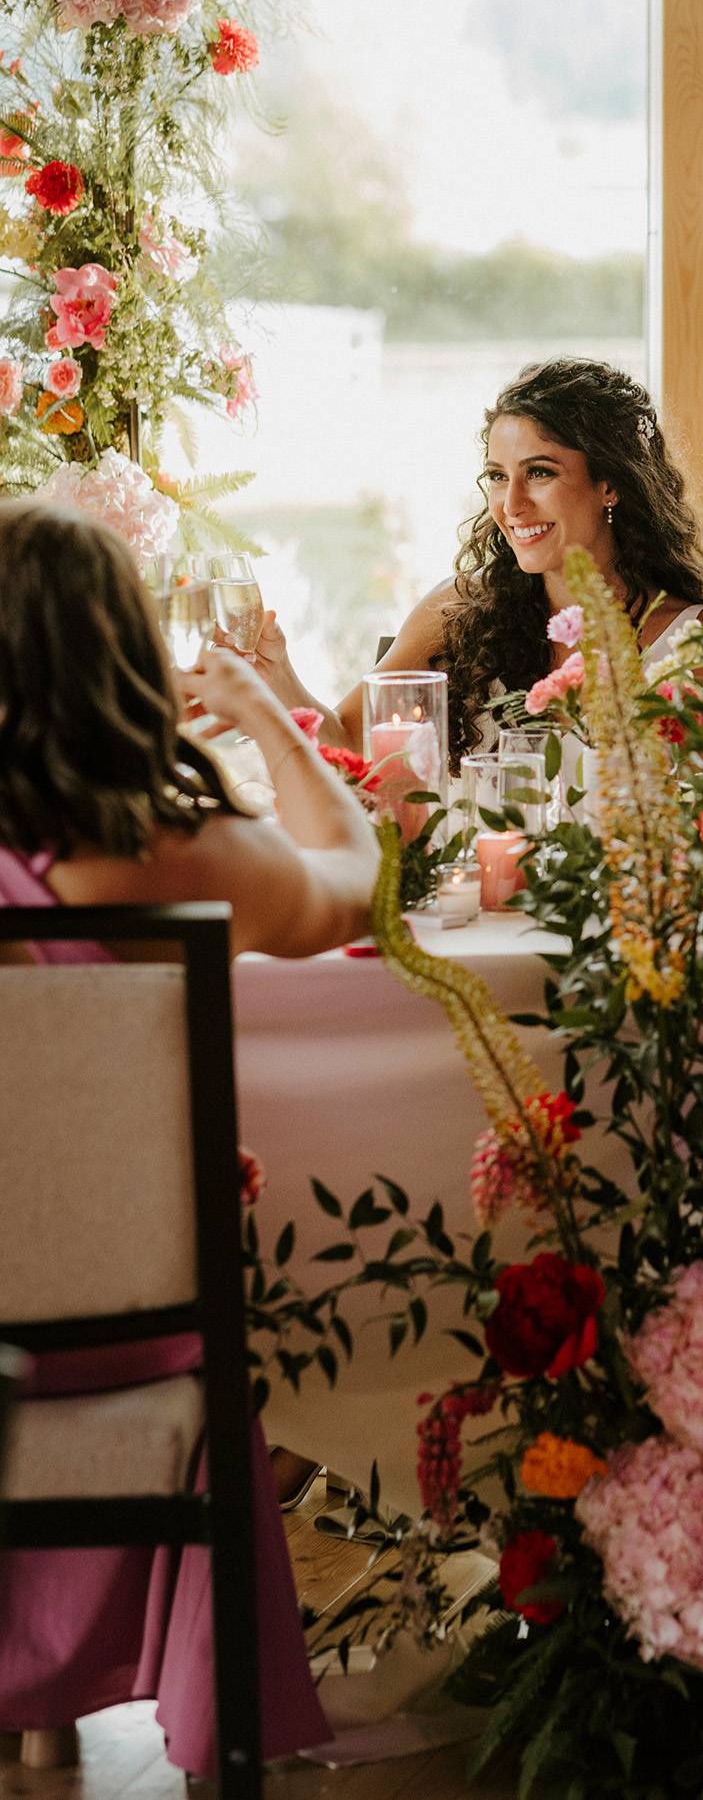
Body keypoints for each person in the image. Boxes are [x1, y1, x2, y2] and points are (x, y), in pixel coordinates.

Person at [0, 496, 381, 1771]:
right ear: (120, 651)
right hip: (117, 1353)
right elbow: (350, 878)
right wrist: (273, 721)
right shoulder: (168, 850)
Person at [244, 356, 703, 778]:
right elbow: (345, 745)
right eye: (497, 476)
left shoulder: (698, 645)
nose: (511, 504)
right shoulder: (457, 609)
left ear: (611, 484)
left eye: (539, 473)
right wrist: (278, 674)